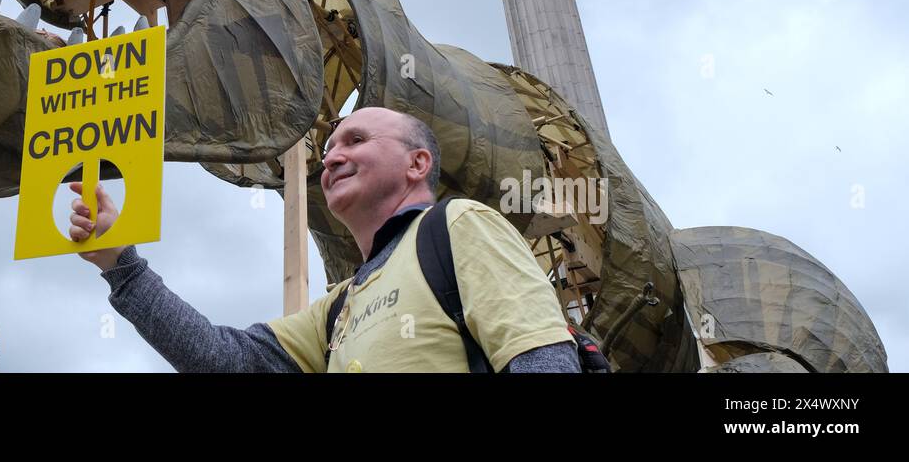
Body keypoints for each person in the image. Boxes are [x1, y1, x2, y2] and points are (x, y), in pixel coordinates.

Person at [70, 106, 581, 372]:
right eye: (329, 148)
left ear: (417, 163)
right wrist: (122, 264)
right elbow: (227, 361)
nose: (331, 156)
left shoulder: (458, 226)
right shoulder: (339, 305)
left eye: (355, 141)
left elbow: (542, 359)